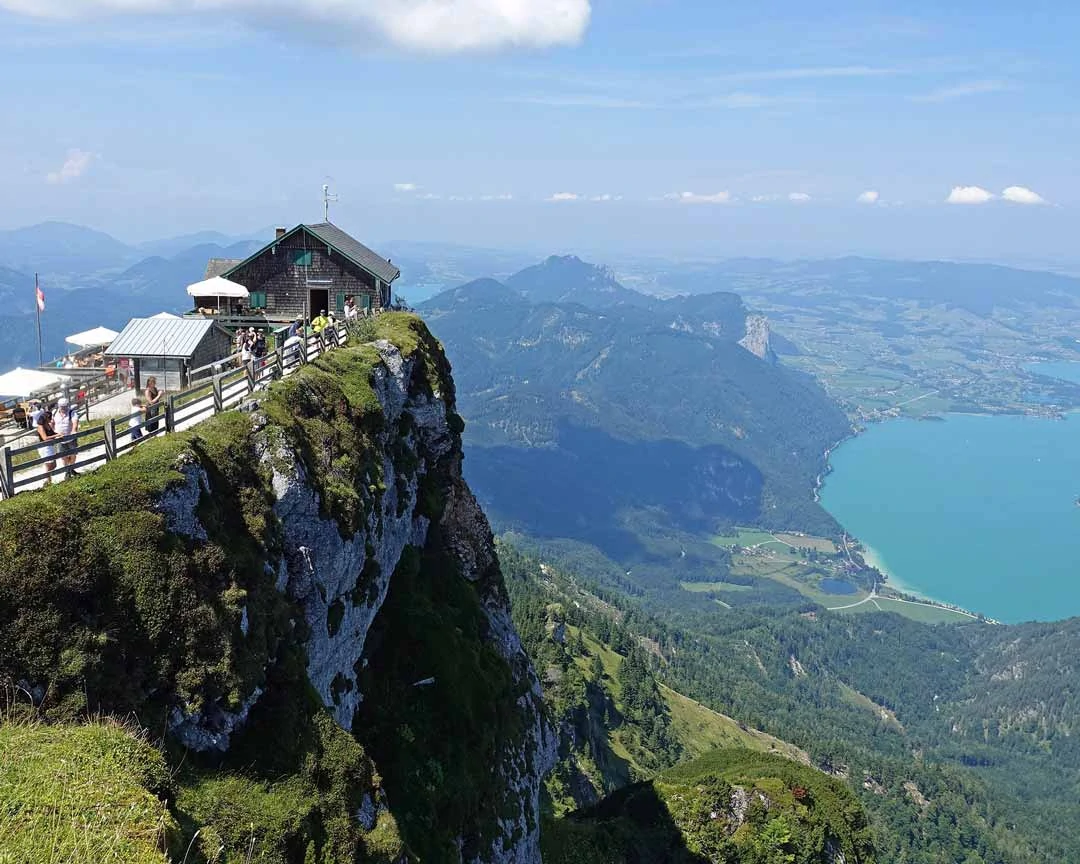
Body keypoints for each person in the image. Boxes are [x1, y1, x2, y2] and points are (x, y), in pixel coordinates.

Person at [52, 396, 79, 479]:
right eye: (62, 407)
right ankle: (67, 471)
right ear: (59, 406)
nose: (63, 408)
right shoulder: (54, 412)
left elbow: (75, 421)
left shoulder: (72, 412)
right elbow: (52, 423)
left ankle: (71, 468)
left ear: (67, 405)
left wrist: (74, 430)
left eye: (65, 406)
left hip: (70, 437)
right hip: (59, 438)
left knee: (73, 454)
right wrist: (54, 432)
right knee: (63, 456)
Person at [35, 403, 59, 486]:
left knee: (54, 465)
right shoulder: (40, 426)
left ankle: (47, 480)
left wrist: (58, 434)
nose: (51, 419)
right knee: (49, 465)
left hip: (50, 446)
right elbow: (45, 438)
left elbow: (53, 433)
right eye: (50, 418)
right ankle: (48, 481)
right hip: (44, 447)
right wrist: (57, 435)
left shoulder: (48, 425)